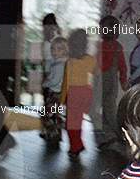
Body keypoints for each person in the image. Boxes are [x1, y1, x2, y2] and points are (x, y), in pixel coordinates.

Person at [61, 29, 96, 158]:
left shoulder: (69, 62)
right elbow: (93, 73)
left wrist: (62, 98)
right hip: (86, 91)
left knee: (71, 123)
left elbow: (66, 82)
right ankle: (78, 145)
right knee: (78, 121)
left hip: (73, 93)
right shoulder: (90, 60)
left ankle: (75, 147)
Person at [97, 15, 128, 149]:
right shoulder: (118, 46)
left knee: (108, 109)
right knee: (107, 108)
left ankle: (122, 134)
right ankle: (109, 135)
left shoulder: (102, 46)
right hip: (112, 81)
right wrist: (123, 80)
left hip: (104, 81)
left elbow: (98, 65)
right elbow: (123, 67)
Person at [41, 36, 67, 146]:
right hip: (57, 93)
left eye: (59, 49)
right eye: (53, 49)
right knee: (53, 114)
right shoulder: (57, 62)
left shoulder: (59, 65)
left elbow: (55, 80)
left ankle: (53, 134)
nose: (54, 52)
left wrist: (45, 83)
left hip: (55, 93)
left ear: (65, 51)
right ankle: (55, 133)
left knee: (48, 114)